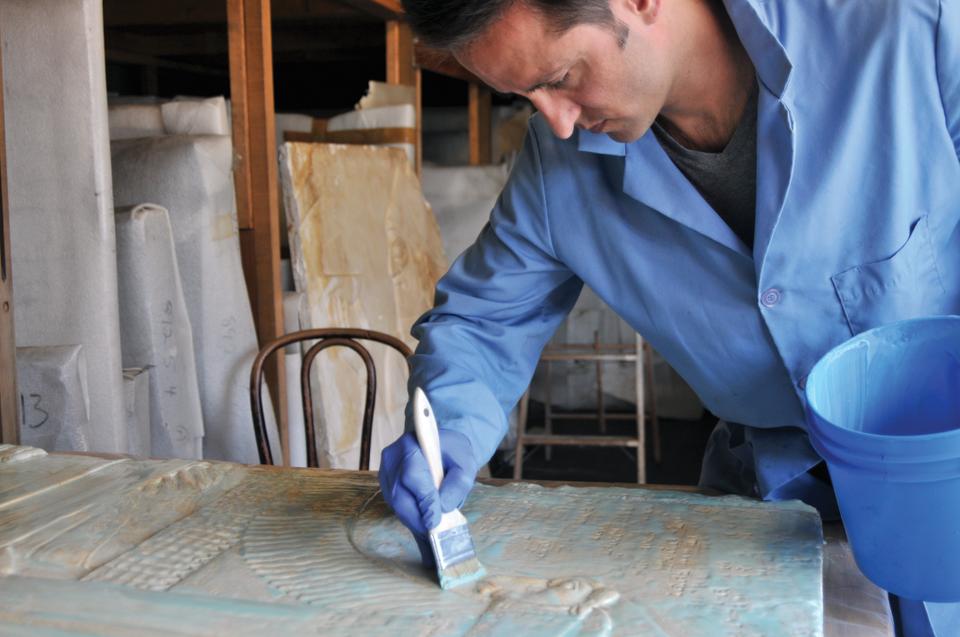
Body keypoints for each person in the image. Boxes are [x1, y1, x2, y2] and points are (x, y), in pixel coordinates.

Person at [379, 0, 960, 633]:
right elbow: (483, 323)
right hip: (766, 519)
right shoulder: (559, 166)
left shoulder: (912, 33)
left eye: (562, 77)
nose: (559, 124)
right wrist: (449, 432)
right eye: (525, 97)